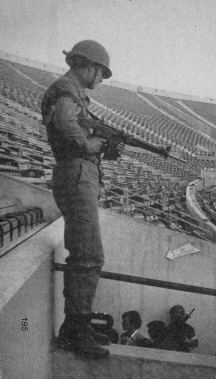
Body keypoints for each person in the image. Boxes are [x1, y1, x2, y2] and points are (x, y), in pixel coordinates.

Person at [42, 40, 123, 358]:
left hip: (78, 175)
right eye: (101, 73)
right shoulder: (66, 89)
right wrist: (93, 145)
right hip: (76, 175)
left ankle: (76, 326)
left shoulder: (73, 93)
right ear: (87, 65)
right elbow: (65, 125)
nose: (101, 79)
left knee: (87, 254)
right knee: (88, 255)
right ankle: (75, 332)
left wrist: (104, 144)